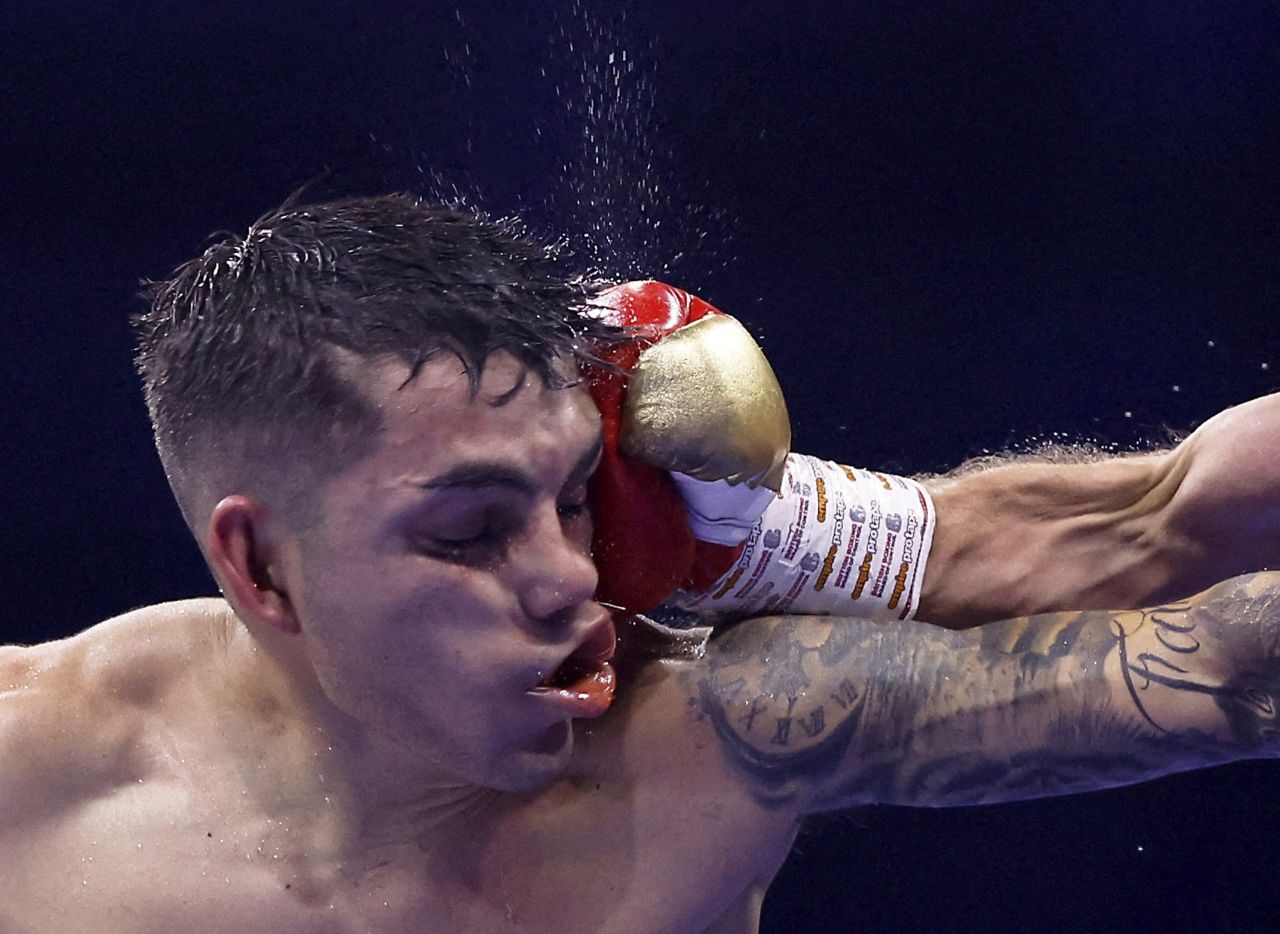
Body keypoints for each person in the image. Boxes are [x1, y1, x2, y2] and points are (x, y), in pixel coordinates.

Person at [0, 192, 1276, 933]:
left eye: (571, 498)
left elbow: (1235, 668)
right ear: (259, 564)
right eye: (467, 531)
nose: (565, 576)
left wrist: (1170, 519)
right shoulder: (29, 777)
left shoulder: (724, 737)